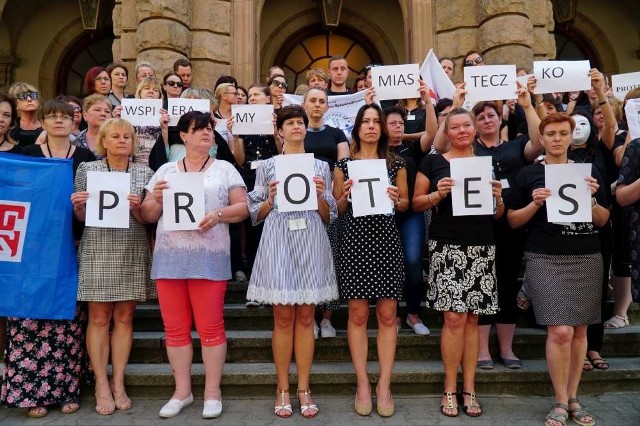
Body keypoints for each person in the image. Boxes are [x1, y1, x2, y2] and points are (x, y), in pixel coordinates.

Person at [140, 110, 248, 419]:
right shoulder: (165, 171)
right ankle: (182, 392)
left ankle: (212, 392)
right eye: (198, 129)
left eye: (209, 129)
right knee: (174, 329)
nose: (206, 134)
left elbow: (242, 207)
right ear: (183, 136)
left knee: (211, 327)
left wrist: (218, 215)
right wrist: (156, 199)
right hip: (170, 259)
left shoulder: (225, 168)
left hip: (208, 258)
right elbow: (147, 215)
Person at [508, 113, 608, 426]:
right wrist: (535, 204)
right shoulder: (529, 174)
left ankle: (573, 396)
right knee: (560, 330)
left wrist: (591, 200)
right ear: (542, 137)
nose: (556, 139)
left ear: (570, 137)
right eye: (550, 133)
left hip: (586, 255)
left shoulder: (588, 172)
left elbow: (604, 219)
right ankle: (560, 400)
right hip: (545, 256)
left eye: (562, 133)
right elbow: (512, 220)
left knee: (579, 330)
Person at [1, 99, 95, 418]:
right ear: (42, 121)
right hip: (32, 249)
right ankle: (31, 392)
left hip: (71, 245)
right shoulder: (25, 156)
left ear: (74, 123)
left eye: (64, 117)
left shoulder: (85, 158)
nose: (58, 121)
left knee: (67, 320)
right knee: (29, 318)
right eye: (52, 116)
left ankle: (66, 389)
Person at [246, 105, 338, 418]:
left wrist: (323, 196)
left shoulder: (321, 167)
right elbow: (254, 213)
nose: (296, 126)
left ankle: (304, 387)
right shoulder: (268, 165)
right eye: (291, 123)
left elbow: (329, 217)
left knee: (306, 316)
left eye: (300, 122)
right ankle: (283, 387)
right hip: (279, 238)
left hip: (311, 237)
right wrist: (270, 201)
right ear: (280, 131)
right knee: (283, 317)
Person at [413, 107, 503, 418]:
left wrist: (500, 198)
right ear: (447, 132)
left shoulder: (487, 164)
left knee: (473, 320)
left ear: (476, 129)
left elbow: (497, 214)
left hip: (481, 243)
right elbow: (415, 202)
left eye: (467, 125)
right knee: (453, 318)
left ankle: (470, 388)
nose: (462, 131)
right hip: (446, 243)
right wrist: (436, 196)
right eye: (455, 127)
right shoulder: (433, 161)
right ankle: (450, 388)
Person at [71, 118, 153, 415]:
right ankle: (101, 383)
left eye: (127, 137)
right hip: (97, 247)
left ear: (133, 142)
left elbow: (148, 219)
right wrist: (78, 207)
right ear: (103, 141)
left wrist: (138, 208)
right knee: (99, 317)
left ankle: (118, 382)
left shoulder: (145, 172)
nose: (121, 141)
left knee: (125, 316)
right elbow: (81, 218)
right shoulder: (87, 170)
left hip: (131, 246)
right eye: (115, 136)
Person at [333, 103, 408, 418]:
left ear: (383, 128)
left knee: (388, 314)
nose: (372, 126)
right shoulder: (344, 165)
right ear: (357, 127)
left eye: (377, 121)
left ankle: (384, 384)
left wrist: (397, 199)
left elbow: (404, 205)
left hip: (385, 240)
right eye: (365, 121)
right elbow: (336, 210)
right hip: (354, 240)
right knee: (358, 313)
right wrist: (344, 195)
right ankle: (363, 383)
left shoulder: (396, 163)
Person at [301, 87, 349, 337]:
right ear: (304, 104)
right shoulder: (296, 132)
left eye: (322, 101)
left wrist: (336, 195)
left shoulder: (337, 133)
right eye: (313, 101)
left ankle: (327, 318)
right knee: (308, 259)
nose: (317, 105)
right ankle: (309, 317)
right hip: (299, 201)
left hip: (328, 196)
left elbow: (343, 165)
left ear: (328, 107)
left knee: (331, 257)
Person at [385, 105, 431, 335]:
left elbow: (431, 134)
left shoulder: (411, 147)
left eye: (401, 123)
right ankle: (392, 315)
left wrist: (428, 102)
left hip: (411, 213)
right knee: (389, 265)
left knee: (413, 261)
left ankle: (413, 313)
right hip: (383, 217)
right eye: (392, 123)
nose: (398, 127)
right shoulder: (375, 151)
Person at [232, 84, 281, 282]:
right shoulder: (243, 122)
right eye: (249, 95)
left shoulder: (277, 119)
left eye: (256, 94)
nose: (251, 98)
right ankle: (254, 276)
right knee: (252, 227)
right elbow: (241, 160)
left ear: (268, 98)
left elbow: (281, 151)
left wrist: (276, 131)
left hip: (273, 177)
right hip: (250, 178)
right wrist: (235, 136)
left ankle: (273, 276)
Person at [8, 82, 43, 146]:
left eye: (33, 95)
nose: (29, 99)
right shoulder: (9, 126)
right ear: (15, 104)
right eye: (22, 96)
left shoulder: (47, 126)